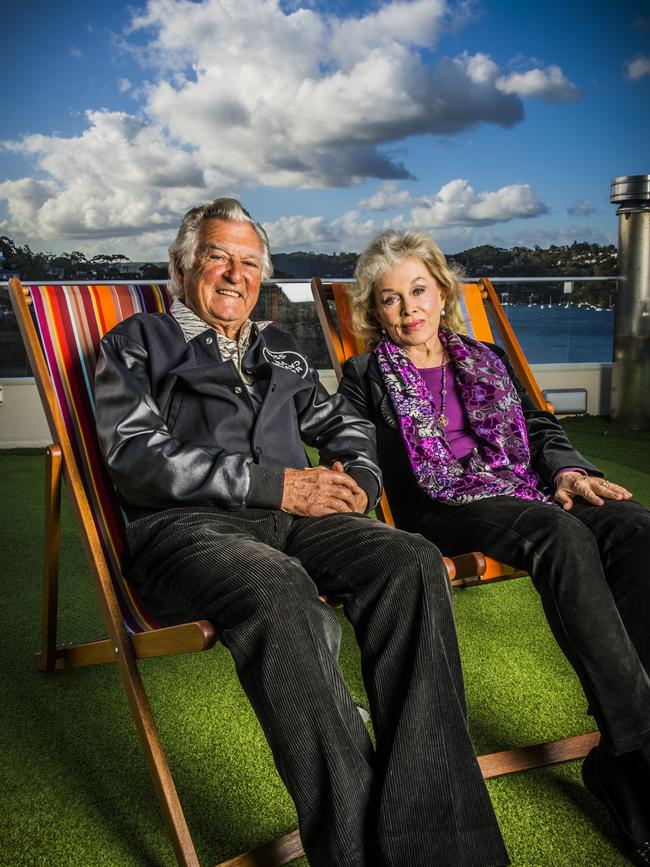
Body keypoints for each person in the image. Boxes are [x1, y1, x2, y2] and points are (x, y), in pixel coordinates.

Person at [94, 199, 508, 867]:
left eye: (250, 262)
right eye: (216, 256)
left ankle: (442, 845)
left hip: (297, 521)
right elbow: (137, 456)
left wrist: (362, 487)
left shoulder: (278, 349)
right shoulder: (137, 342)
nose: (234, 274)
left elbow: (346, 430)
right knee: (281, 588)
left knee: (410, 560)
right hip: (188, 531)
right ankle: (355, 854)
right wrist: (276, 483)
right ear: (180, 266)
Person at [338, 228, 650, 866]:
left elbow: (538, 424)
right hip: (444, 504)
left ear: (441, 289)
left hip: (524, 487)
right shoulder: (364, 375)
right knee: (558, 533)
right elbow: (354, 447)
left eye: (418, 290)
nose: (409, 309)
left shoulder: (485, 357)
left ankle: (627, 754)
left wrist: (567, 471)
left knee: (631, 523)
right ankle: (638, 754)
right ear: (372, 311)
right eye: (390, 300)